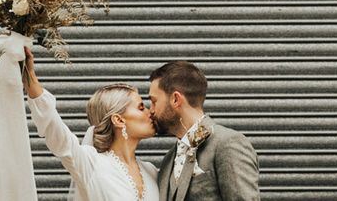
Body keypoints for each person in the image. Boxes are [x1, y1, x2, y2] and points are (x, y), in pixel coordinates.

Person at [23, 47, 160, 201]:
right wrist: (30, 80)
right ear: (119, 120)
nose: (151, 112)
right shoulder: (91, 164)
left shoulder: (152, 172)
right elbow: (58, 135)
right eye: (141, 107)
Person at [148, 61, 260, 201]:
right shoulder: (168, 159)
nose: (150, 110)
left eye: (154, 101)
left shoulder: (227, 143)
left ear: (176, 99)